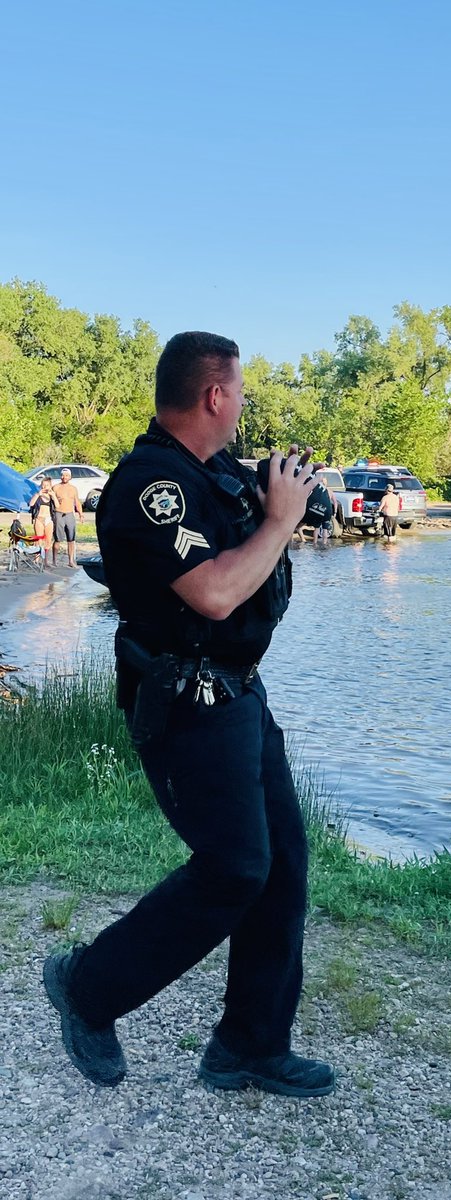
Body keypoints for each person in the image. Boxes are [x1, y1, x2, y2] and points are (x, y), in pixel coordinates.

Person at [42, 331, 335, 1099]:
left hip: (240, 692)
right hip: (184, 703)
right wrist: (277, 523)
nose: (241, 405)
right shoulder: (152, 483)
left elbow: (255, 557)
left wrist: (290, 502)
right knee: (234, 868)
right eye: (237, 391)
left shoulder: (215, 475)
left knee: (283, 869)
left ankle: (249, 1045)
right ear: (214, 395)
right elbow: (210, 593)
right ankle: (89, 989)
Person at [51, 468, 83, 567]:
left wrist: (81, 514)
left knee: (71, 539)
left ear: (70, 477)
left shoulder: (73, 488)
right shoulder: (56, 487)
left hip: (69, 514)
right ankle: (54, 560)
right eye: (63, 475)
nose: (64, 477)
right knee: (57, 539)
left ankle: (70, 561)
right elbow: (50, 502)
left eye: (66, 475)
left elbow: (77, 502)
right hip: (59, 514)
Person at [29, 476, 55, 559]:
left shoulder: (51, 496)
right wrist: (37, 494)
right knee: (38, 539)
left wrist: (53, 496)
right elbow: (31, 504)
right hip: (39, 518)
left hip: (48, 519)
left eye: (46, 485)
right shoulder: (38, 495)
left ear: (50, 486)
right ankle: (37, 559)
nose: (44, 487)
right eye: (43, 485)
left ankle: (46, 560)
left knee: (48, 541)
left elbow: (57, 506)